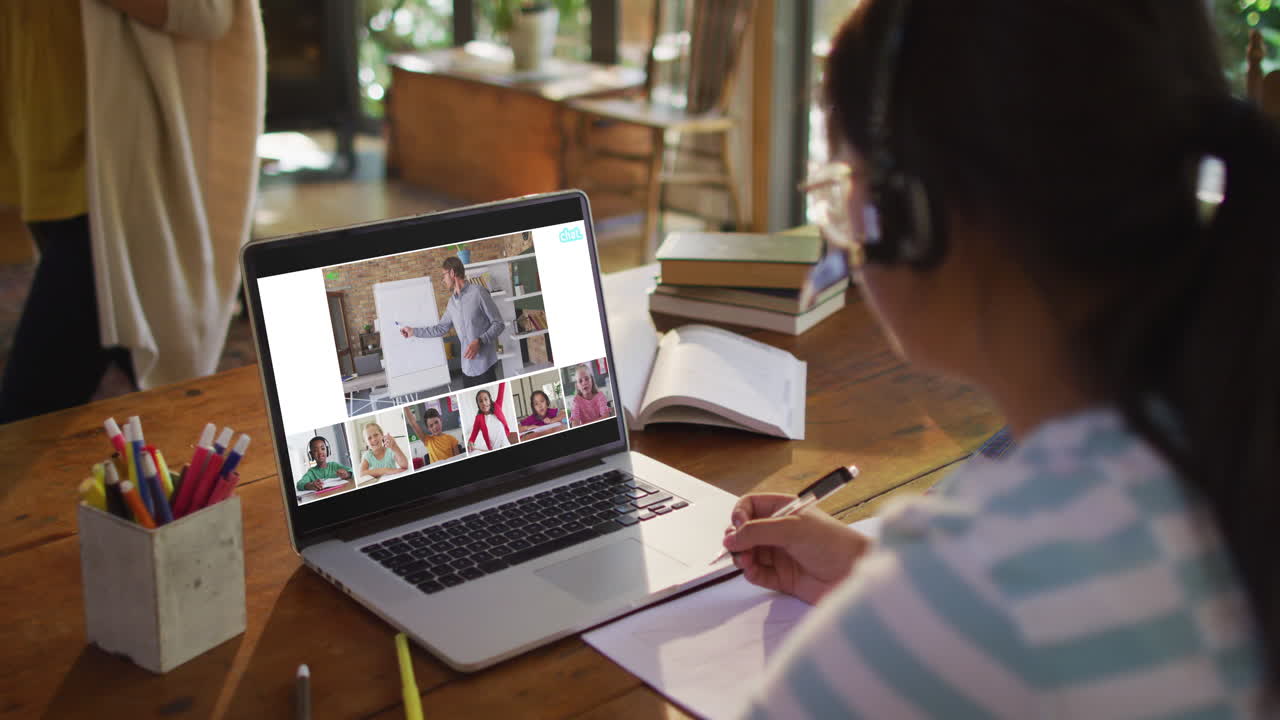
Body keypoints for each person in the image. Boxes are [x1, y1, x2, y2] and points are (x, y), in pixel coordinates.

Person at [721, 2, 1276, 716]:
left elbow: (1011, 607)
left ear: (915, 211)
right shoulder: (1225, 437)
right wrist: (879, 578)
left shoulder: (983, 587)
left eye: (843, 185)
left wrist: (917, 611)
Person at [0, 0, 265, 423]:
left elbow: (208, 11)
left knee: (27, 410)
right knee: (136, 378)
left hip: (115, 183)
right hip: (47, 161)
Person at [399, 256, 505, 389]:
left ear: (452, 273)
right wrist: (413, 331)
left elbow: (499, 323)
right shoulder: (451, 304)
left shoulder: (478, 293)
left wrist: (480, 341)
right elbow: (440, 329)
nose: (443, 280)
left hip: (485, 367)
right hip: (467, 369)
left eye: (444, 275)